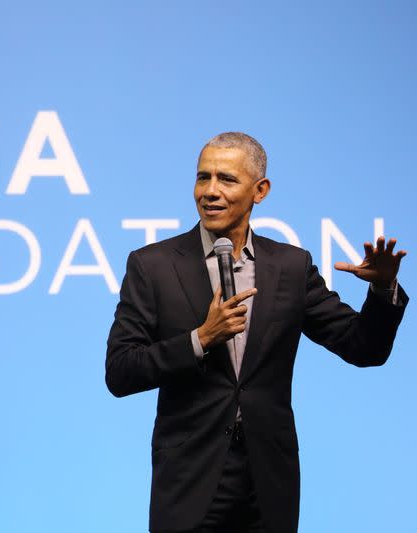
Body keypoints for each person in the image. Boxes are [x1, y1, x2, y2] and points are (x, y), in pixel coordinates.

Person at [105, 132, 408, 533]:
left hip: (268, 483)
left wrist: (382, 289)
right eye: (202, 178)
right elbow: (121, 371)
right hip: (189, 479)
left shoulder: (291, 267)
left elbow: (363, 348)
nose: (210, 192)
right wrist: (200, 339)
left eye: (226, 179)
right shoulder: (153, 265)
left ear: (260, 190)